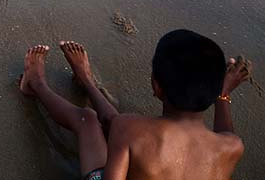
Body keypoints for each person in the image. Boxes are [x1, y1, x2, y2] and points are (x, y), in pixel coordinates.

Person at [19, 30, 251, 180]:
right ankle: (87, 82)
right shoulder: (232, 147)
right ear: (215, 91)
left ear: (156, 86)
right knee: (120, 127)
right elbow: (225, 132)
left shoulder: (131, 129)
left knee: (88, 120)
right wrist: (224, 94)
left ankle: (36, 84)